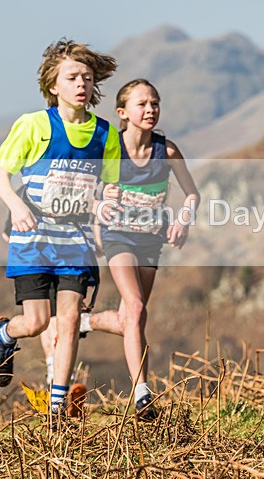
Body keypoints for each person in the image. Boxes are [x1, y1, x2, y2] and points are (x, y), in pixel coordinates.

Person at [0, 39, 121, 421]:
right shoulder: (34, 125)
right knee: (36, 323)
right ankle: (5, 334)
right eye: (72, 77)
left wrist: (108, 203)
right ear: (53, 86)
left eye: (88, 78)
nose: (82, 84)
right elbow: (1, 176)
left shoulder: (105, 136)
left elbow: (108, 188)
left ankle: (58, 406)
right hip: (33, 240)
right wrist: (15, 207)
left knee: (69, 320)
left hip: (74, 241)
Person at [83, 78, 199, 421]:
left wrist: (184, 219)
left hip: (151, 238)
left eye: (155, 103)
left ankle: (82, 321)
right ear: (123, 113)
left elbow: (192, 192)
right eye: (142, 104)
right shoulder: (108, 149)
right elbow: (86, 192)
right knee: (135, 306)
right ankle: (142, 394)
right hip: (117, 236)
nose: (150, 110)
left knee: (131, 317)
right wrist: (101, 202)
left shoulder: (168, 150)